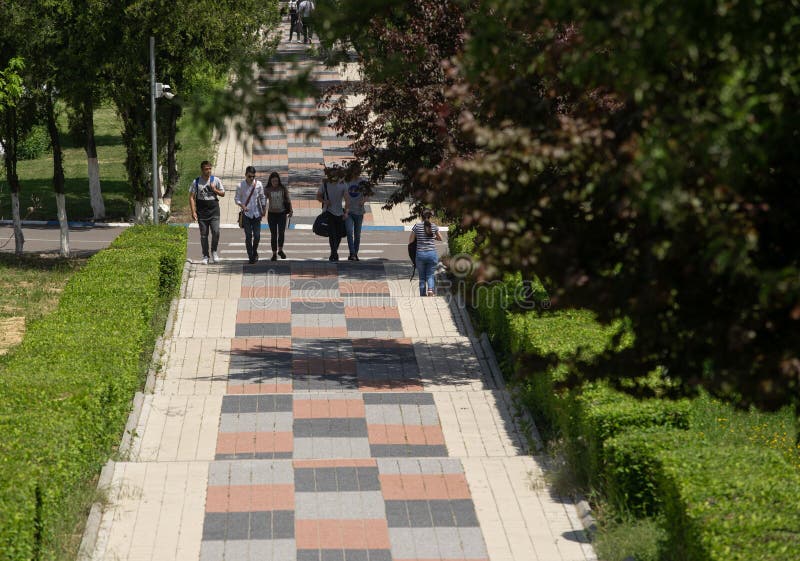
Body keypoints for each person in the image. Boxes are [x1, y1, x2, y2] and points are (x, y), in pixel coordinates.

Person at [189, 160, 225, 265]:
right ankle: (205, 255)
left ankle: (214, 251)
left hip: (214, 210)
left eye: (210, 168)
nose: (208, 171)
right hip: (202, 212)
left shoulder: (215, 180)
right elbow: (191, 197)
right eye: (206, 169)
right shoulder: (196, 182)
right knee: (204, 235)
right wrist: (193, 211)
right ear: (202, 170)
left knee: (216, 232)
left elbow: (223, 193)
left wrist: (215, 190)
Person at [235, 166, 267, 264]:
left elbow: (262, 197)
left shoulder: (258, 185)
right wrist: (243, 206)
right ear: (245, 175)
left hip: (257, 214)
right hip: (246, 215)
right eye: (249, 176)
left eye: (253, 176)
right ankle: (250, 256)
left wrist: (264, 208)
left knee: (257, 236)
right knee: (248, 236)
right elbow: (236, 199)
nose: (251, 178)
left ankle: (254, 251)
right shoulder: (240, 186)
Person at [316, 168, 349, 261]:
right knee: (332, 234)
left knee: (338, 234)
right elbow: (318, 196)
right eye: (332, 176)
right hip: (328, 212)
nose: (334, 178)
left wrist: (346, 212)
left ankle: (334, 252)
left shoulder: (343, 185)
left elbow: (347, 199)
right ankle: (334, 253)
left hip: (339, 213)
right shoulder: (325, 184)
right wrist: (325, 201)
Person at [409, 209, 442, 296]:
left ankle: (423, 294)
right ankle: (430, 290)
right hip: (432, 254)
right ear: (430, 216)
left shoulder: (416, 226)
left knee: (422, 276)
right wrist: (433, 237)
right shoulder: (434, 226)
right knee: (430, 274)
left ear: (421, 216)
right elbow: (440, 238)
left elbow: (411, 241)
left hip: (420, 254)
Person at [265, 171, 293, 261]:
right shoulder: (267, 189)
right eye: (273, 181)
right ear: (270, 181)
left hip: (282, 214)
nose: (275, 183)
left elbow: (288, 200)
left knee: (281, 233)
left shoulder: (282, 188)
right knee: (273, 234)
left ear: (278, 181)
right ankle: (274, 254)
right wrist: (262, 210)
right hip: (271, 214)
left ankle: (280, 250)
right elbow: (263, 200)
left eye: (276, 181)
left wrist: (291, 210)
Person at [345, 163, 369, 261]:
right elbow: (342, 192)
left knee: (357, 234)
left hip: (359, 212)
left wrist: (363, 201)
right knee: (349, 232)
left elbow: (368, 194)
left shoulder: (363, 182)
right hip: (349, 211)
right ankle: (352, 253)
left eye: (357, 172)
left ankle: (355, 253)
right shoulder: (347, 181)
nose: (356, 174)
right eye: (354, 172)